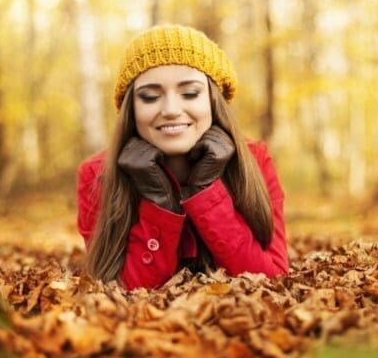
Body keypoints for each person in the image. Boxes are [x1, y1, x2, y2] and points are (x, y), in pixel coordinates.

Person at [76, 24, 289, 290]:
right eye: (150, 97)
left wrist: (206, 190)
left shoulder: (255, 160)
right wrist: (160, 202)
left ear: (213, 100)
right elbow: (117, 290)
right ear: (131, 108)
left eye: (190, 93)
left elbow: (272, 278)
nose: (171, 110)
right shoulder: (96, 175)